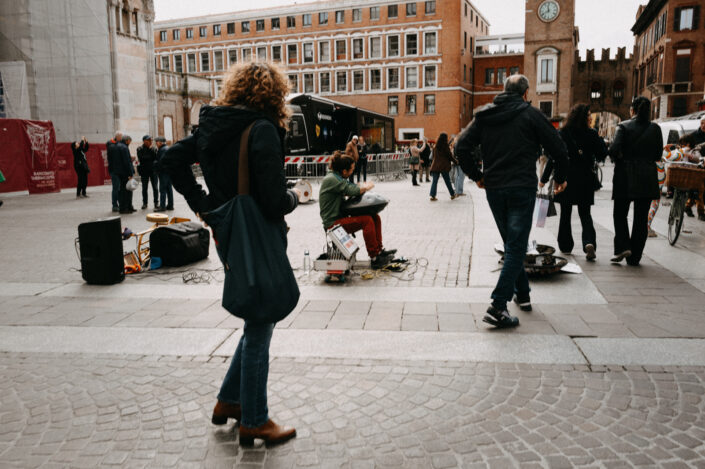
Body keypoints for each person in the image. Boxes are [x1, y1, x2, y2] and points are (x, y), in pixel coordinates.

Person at [162, 62, 298, 446]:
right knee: (261, 319)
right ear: (273, 94)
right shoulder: (262, 129)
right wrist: (293, 197)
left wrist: (205, 207)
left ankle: (229, 400)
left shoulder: (214, 127)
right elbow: (273, 200)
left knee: (257, 314)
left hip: (228, 230)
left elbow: (169, 159)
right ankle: (254, 420)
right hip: (256, 231)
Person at [455, 74, 568, 328]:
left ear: (504, 91)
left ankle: (523, 294)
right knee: (516, 246)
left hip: (495, 188)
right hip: (521, 187)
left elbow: (461, 147)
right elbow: (559, 149)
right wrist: (561, 178)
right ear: (525, 93)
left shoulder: (485, 116)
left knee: (512, 243)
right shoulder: (531, 115)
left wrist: (477, 176)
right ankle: (498, 305)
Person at [540, 104, 607, 261]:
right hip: (585, 179)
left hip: (566, 178)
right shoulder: (591, 133)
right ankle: (589, 242)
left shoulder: (563, 133)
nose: (591, 118)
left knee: (566, 213)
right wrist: (598, 140)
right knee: (585, 213)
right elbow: (603, 154)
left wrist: (544, 179)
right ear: (583, 118)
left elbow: (554, 157)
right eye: (588, 115)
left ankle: (566, 245)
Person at [608, 96, 662, 266]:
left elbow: (614, 150)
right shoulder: (655, 129)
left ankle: (623, 246)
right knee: (641, 218)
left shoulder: (623, 126)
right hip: (647, 177)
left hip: (625, 176)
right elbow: (658, 154)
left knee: (620, 214)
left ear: (632, 110)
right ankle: (635, 257)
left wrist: (621, 159)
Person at [319, 151, 396, 269]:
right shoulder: (332, 179)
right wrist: (366, 186)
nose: (352, 172)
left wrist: (361, 187)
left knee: (374, 216)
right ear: (344, 171)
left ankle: (379, 251)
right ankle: (375, 257)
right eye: (351, 170)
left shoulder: (336, 177)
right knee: (367, 221)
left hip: (340, 217)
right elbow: (353, 190)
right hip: (333, 223)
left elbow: (351, 187)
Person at [429, 133, 457, 201]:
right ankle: (452, 194)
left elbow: (433, 157)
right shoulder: (445, 147)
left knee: (434, 181)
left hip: (435, 166)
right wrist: (456, 161)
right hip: (444, 166)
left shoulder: (435, 146)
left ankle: (433, 196)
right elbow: (450, 156)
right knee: (447, 181)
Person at [137, 135, 159, 210]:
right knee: (144, 188)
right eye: (149, 140)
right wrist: (150, 156)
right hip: (144, 171)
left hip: (153, 171)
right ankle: (145, 203)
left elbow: (156, 158)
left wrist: (149, 155)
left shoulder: (154, 149)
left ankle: (156, 202)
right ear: (144, 141)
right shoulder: (140, 149)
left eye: (151, 140)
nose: (150, 142)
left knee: (155, 187)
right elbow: (141, 158)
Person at [116, 135, 136, 214]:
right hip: (125, 173)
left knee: (123, 190)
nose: (130, 143)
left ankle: (127, 207)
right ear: (127, 140)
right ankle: (125, 208)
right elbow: (127, 162)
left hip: (120, 172)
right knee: (126, 191)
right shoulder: (124, 148)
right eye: (130, 141)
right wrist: (130, 173)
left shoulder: (118, 146)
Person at [154, 136, 173, 211]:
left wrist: (155, 163)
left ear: (160, 142)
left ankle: (162, 206)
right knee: (169, 189)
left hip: (163, 172)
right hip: (168, 171)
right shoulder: (167, 148)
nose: (156, 143)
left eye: (157, 142)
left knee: (163, 189)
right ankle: (170, 205)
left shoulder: (162, 150)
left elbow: (161, 161)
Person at [106, 131, 123, 212]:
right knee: (116, 188)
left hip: (119, 170)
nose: (121, 138)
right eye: (120, 137)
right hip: (114, 170)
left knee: (119, 188)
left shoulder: (118, 144)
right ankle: (115, 205)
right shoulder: (111, 145)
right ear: (117, 137)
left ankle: (120, 203)